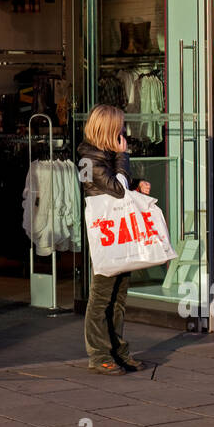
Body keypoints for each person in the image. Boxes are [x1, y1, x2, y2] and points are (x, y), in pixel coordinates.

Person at [78, 103, 151, 376]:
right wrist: (123, 158)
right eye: (120, 126)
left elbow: (119, 188)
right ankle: (98, 354)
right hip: (106, 235)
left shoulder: (105, 156)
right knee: (101, 296)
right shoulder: (88, 158)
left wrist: (137, 184)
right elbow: (116, 191)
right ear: (109, 129)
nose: (125, 131)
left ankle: (118, 350)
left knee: (118, 295)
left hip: (118, 231)